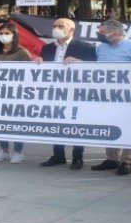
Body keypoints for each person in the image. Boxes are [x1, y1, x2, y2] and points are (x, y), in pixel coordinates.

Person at [36, 18, 98, 170]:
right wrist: (39, 62)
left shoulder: (85, 47)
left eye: (61, 26)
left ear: (71, 30)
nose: (56, 28)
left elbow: (96, 68)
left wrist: (79, 62)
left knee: (77, 123)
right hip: (54, 92)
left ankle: (77, 157)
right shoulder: (47, 48)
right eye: (55, 26)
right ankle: (58, 155)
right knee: (56, 123)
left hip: (76, 92)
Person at [90, 20, 131, 175]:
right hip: (106, 96)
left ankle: (127, 161)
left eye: (102, 32)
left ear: (115, 33)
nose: (99, 35)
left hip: (129, 97)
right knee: (109, 125)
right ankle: (112, 158)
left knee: (129, 126)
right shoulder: (101, 47)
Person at [0, 22, 34, 163]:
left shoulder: (22, 52)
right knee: (0, 122)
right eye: (1, 33)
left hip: (16, 93)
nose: (3, 36)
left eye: (7, 33)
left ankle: (18, 152)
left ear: (14, 35)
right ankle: (4, 150)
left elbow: (29, 74)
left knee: (16, 123)